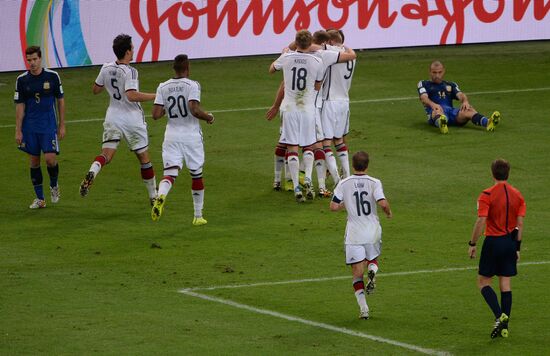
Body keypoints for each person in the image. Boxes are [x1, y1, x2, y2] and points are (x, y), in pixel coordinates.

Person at [79, 34, 157, 205]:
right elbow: (131, 95)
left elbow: (95, 89)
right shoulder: (130, 71)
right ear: (128, 51)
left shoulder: (106, 68)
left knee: (106, 155)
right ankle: (153, 197)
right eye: (132, 48)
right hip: (132, 119)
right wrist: (155, 95)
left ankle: (93, 171)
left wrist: (109, 84)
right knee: (144, 158)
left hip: (113, 116)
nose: (134, 50)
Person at [150, 54, 215, 226]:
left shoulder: (162, 86)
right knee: (196, 174)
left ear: (174, 69)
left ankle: (161, 195)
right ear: (187, 68)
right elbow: (194, 109)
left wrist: (169, 109)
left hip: (171, 136)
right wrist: (208, 117)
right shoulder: (192, 85)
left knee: (170, 173)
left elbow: (155, 114)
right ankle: (198, 216)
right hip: (190, 136)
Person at [330, 151, 392, 319]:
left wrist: (347, 205)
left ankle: (364, 309)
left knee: (357, 273)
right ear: (367, 165)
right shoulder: (374, 182)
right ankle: (372, 268)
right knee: (372, 257)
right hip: (372, 230)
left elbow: (333, 207)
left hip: (354, 234)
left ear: (352, 165)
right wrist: (388, 212)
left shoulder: (344, 183)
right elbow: (382, 202)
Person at [468, 159, 525, 338]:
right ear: (508, 173)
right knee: (505, 283)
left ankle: (499, 316)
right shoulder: (518, 195)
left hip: (493, 241)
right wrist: (517, 247)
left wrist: (473, 243)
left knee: (483, 281)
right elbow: (520, 224)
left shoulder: (486, 194)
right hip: (510, 242)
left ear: (492, 173)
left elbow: (481, 220)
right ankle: (505, 327)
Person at [269, 30, 324, 202]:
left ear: (296, 42)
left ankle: (296, 187)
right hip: (307, 108)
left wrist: (286, 52)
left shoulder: (287, 57)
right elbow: (317, 86)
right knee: (308, 145)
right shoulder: (317, 61)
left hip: (289, 108)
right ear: (310, 43)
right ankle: (307, 177)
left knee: (292, 146)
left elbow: (271, 69)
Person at [14, 46, 65, 209]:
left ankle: (54, 185)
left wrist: (62, 125)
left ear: (40, 58)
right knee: (34, 161)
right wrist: (18, 129)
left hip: (48, 125)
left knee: (50, 160)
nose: (32, 63)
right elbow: (20, 105)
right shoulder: (22, 80)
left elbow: (60, 100)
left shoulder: (52, 76)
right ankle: (40, 199)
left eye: (35, 59)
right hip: (30, 127)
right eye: (29, 60)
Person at [417, 60, 500, 134]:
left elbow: (461, 95)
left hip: (452, 113)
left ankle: (488, 123)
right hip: (436, 113)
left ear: (444, 71)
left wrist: (465, 101)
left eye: (440, 72)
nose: (437, 75)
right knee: (437, 111)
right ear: (430, 72)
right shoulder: (424, 84)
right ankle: (442, 124)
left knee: (468, 109)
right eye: (434, 73)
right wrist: (433, 105)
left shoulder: (451, 85)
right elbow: (424, 98)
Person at [321, 29, 356, 181]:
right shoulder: (351, 55)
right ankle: (347, 176)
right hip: (344, 103)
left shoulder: (331, 52)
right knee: (340, 141)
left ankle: (337, 181)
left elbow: (312, 46)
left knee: (326, 143)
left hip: (330, 102)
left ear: (330, 42)